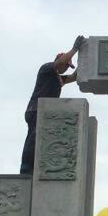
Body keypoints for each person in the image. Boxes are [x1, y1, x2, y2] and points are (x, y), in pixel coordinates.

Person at [20, 36, 84, 175]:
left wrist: (84, 60)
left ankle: (33, 168)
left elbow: (73, 77)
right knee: (34, 137)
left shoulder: (58, 78)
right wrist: (75, 49)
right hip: (35, 109)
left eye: (68, 66)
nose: (66, 68)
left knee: (41, 138)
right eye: (66, 65)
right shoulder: (47, 69)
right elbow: (60, 62)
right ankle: (25, 169)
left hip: (45, 112)